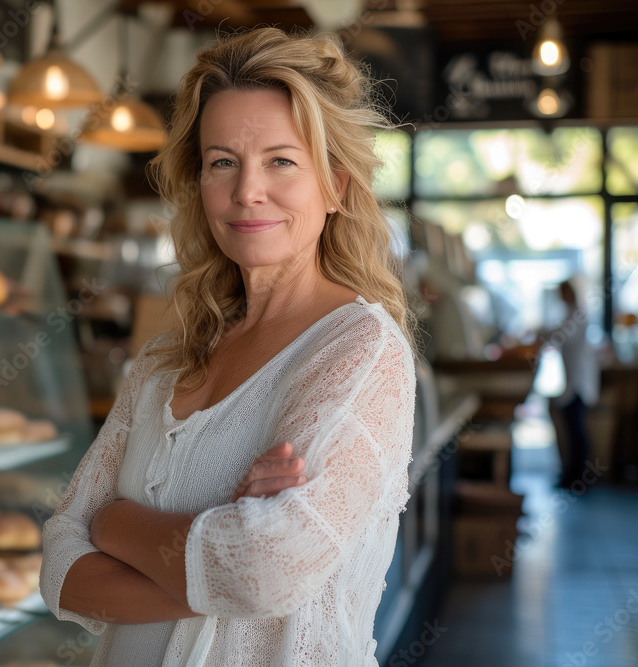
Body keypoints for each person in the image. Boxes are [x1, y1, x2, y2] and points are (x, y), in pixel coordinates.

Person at [40, 28, 416, 666]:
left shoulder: (361, 351)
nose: (247, 191)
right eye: (222, 162)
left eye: (281, 161)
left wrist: (116, 526)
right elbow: (59, 568)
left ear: (337, 185)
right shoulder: (167, 357)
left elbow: (267, 573)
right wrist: (217, 559)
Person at [548, 279, 599, 488]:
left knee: (576, 430)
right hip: (572, 381)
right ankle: (572, 474)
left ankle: (580, 476)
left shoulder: (578, 315)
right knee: (573, 430)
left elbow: (562, 337)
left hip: (579, 382)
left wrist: (541, 334)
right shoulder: (571, 313)